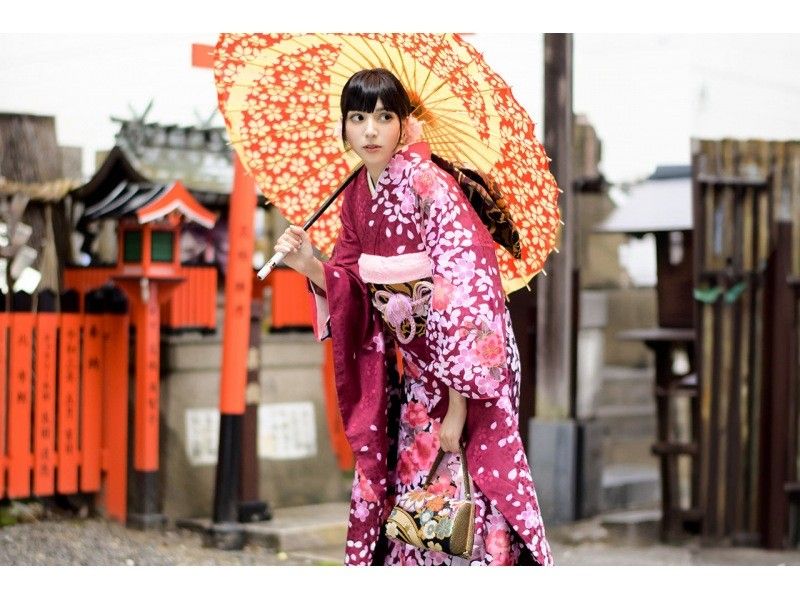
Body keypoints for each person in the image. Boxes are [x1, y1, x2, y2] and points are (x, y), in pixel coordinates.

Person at [273, 68, 553, 566]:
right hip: (418, 368)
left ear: (405, 125)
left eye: (384, 117)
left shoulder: (429, 185)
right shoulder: (357, 198)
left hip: (465, 363)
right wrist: (307, 263)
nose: (371, 131)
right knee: (414, 488)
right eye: (357, 118)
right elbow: (353, 288)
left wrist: (459, 402)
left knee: (467, 483)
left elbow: (465, 284)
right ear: (344, 128)